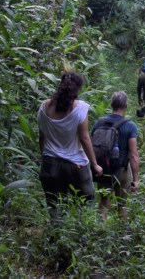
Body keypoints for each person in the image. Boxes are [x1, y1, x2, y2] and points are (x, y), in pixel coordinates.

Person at [37, 70, 102, 216]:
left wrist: (45, 158)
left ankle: (56, 234)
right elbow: (84, 138)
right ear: (77, 89)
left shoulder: (43, 107)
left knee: (53, 204)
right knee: (86, 202)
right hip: (75, 165)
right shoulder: (80, 109)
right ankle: (82, 235)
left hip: (50, 162)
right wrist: (95, 164)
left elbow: (42, 137)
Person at [92, 90, 140, 219]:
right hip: (121, 171)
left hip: (102, 170)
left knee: (103, 201)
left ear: (111, 104)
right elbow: (134, 155)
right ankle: (122, 233)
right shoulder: (130, 126)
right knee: (122, 204)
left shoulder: (99, 123)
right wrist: (135, 179)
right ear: (126, 105)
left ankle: (100, 231)